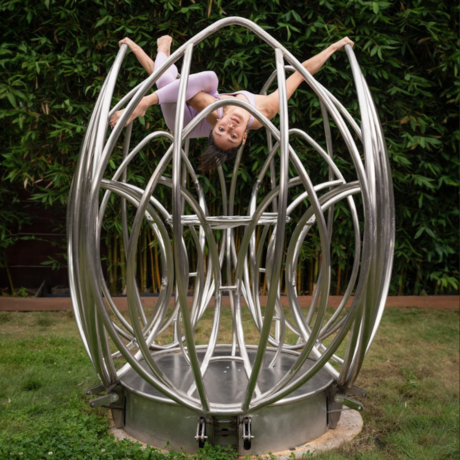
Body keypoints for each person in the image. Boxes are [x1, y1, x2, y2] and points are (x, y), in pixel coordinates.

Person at [110, 35, 354, 171]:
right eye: (234, 135)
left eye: (222, 130)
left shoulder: (211, 111)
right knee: (202, 78)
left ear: (215, 124)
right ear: (244, 138)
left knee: (183, 83)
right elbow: (301, 73)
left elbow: (170, 84)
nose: (230, 126)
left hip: (181, 124)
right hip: (177, 91)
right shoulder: (265, 110)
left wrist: (139, 53)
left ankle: (145, 96)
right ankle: (160, 56)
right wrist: (333, 47)